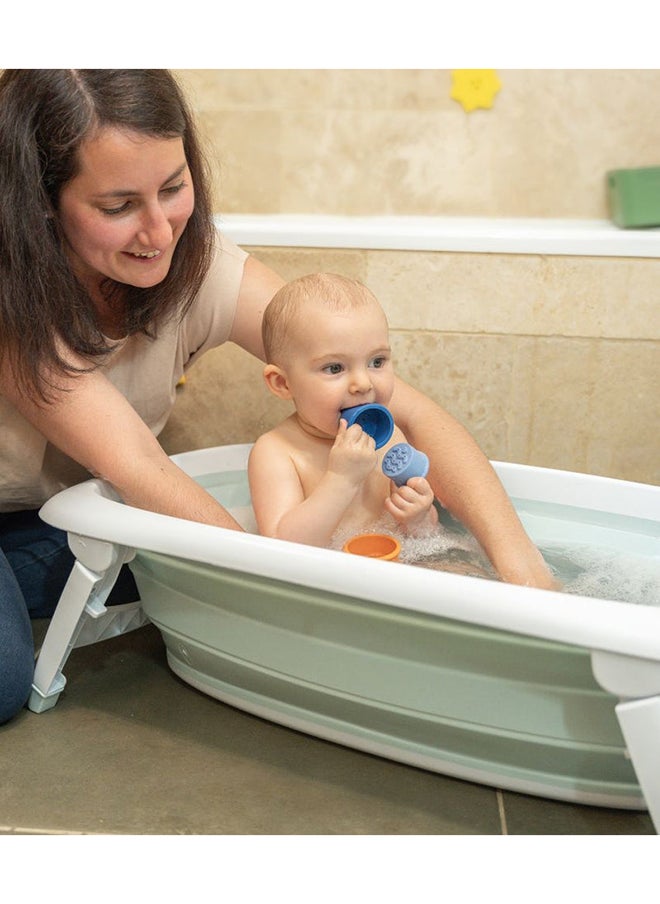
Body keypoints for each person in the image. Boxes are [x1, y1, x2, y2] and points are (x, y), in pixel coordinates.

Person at [0, 69, 555, 727]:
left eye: (174, 188)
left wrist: (524, 571)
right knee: (7, 682)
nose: (159, 231)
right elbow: (138, 467)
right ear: (41, 203)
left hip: (73, 510)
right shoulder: (14, 299)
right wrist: (281, 606)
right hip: (50, 507)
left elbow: (397, 400)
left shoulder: (196, 264)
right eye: (118, 206)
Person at [248, 273, 439, 546]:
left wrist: (419, 517)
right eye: (334, 368)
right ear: (282, 383)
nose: (363, 383)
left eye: (377, 361)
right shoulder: (277, 452)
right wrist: (341, 479)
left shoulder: (389, 437)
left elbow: (428, 539)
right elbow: (282, 547)